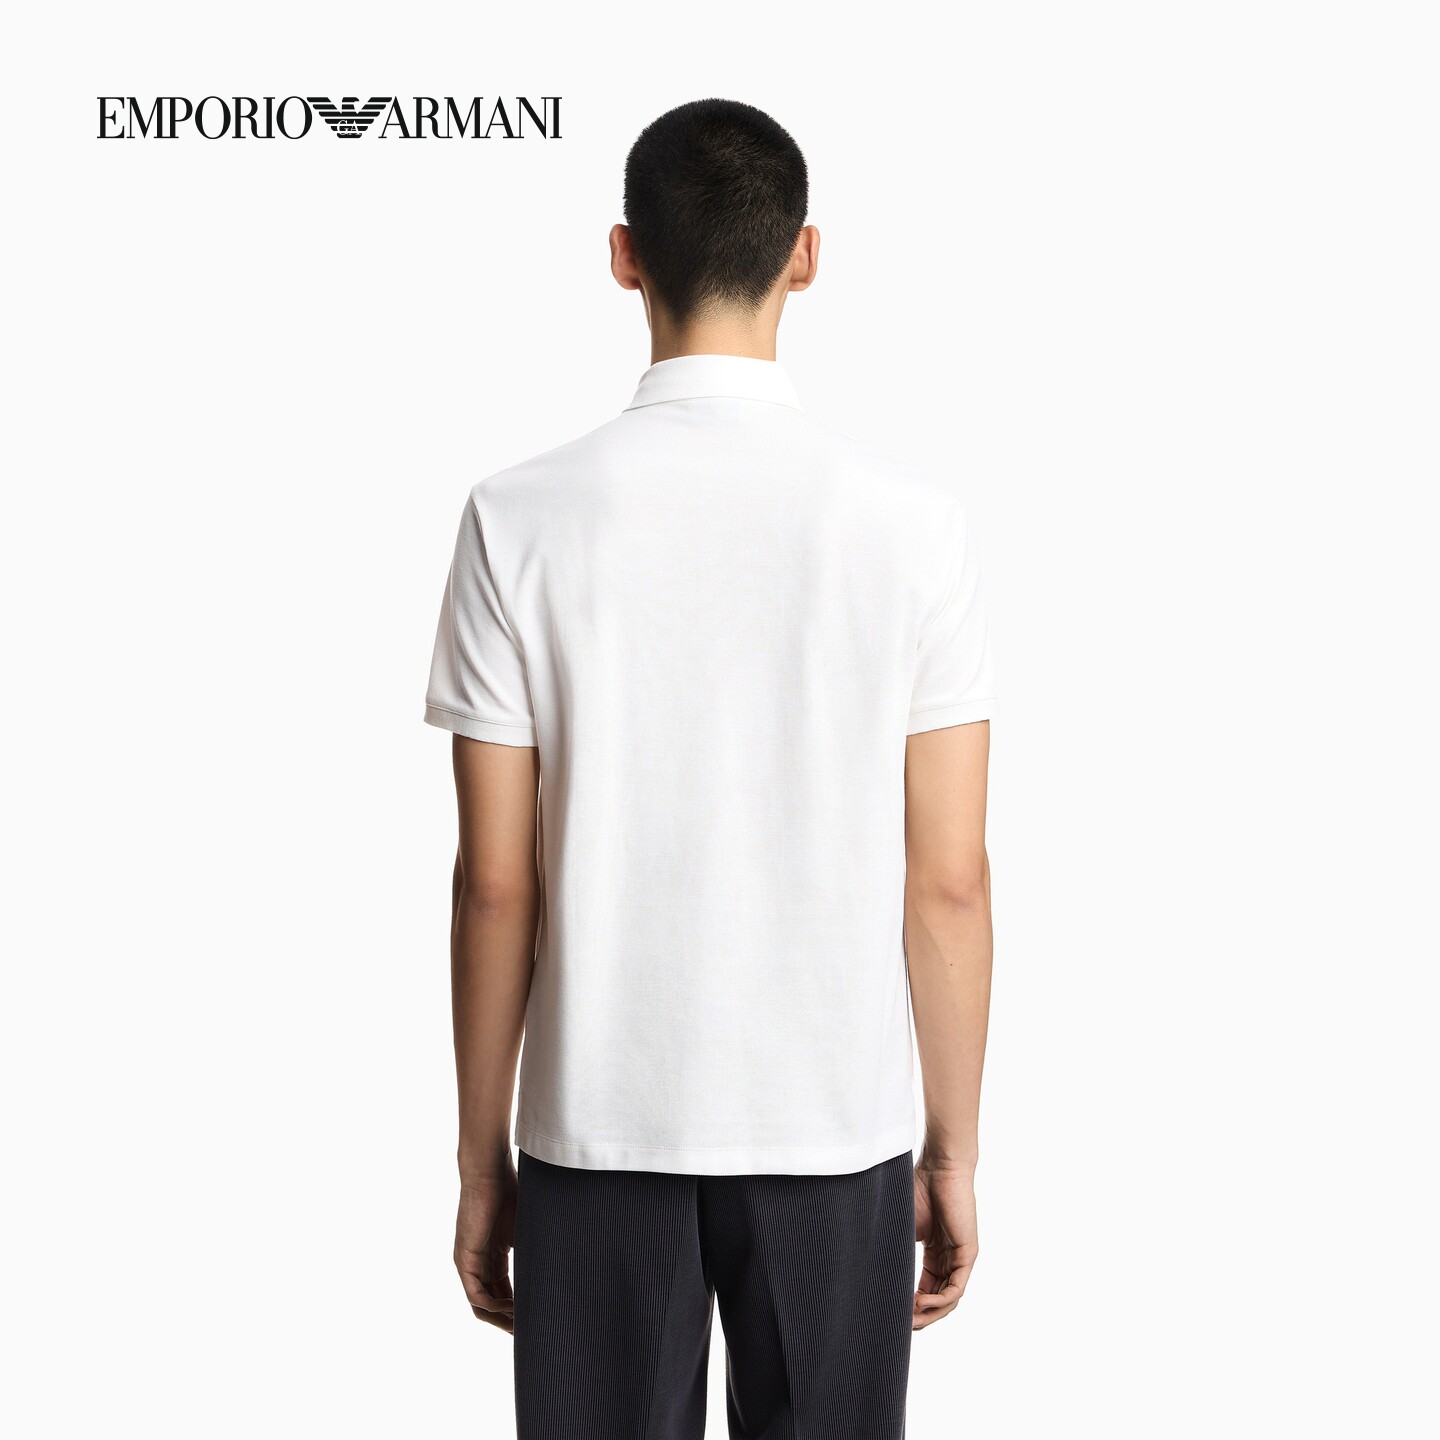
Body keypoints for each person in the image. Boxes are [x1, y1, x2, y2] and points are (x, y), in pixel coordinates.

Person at [425, 98, 996, 1439]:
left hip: (596, 1131)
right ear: (806, 254)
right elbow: (950, 880)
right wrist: (953, 1149)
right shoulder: (914, 528)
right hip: (833, 1131)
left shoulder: (517, 519)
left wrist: (480, 1162)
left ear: (624, 255)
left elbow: (496, 884)